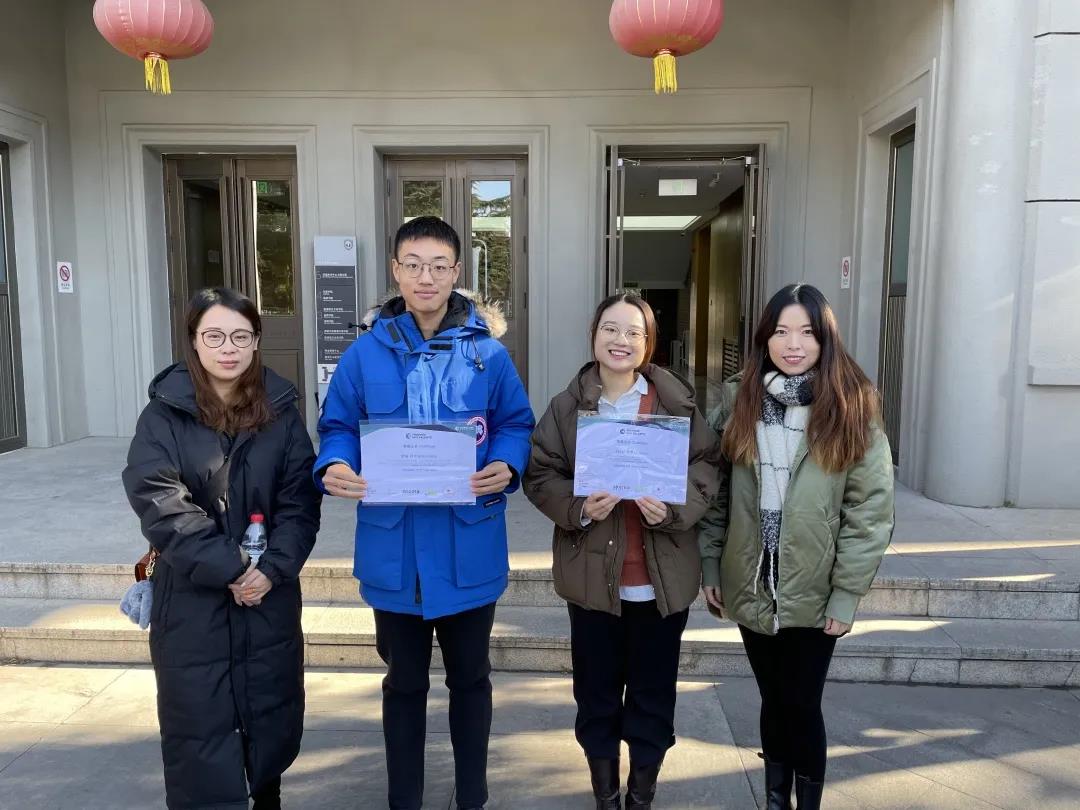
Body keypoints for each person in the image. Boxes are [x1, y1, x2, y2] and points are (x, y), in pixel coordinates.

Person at [314, 215, 534, 810]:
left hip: (469, 552)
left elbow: (516, 423)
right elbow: (337, 427)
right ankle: (403, 800)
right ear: (396, 271)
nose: (426, 277)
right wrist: (335, 463)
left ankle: (473, 799)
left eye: (438, 266)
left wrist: (507, 462)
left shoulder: (488, 355)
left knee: (471, 682)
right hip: (396, 557)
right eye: (413, 265)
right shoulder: (363, 355)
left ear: (457, 272)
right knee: (404, 685)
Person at [122, 287, 322, 809]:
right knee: (201, 733)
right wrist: (231, 568)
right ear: (193, 340)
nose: (228, 348)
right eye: (214, 336)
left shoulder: (281, 410)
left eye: (240, 336)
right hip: (193, 598)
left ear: (256, 341)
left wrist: (271, 569)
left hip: (268, 596)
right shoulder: (162, 416)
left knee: (268, 726)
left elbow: (300, 501)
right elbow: (160, 501)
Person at [698, 283, 894, 810]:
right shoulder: (739, 401)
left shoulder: (852, 405)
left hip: (814, 584)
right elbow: (716, 496)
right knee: (772, 698)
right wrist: (711, 563)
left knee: (802, 703)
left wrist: (846, 593)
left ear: (825, 338)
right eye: (781, 331)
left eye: (806, 332)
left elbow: (869, 512)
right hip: (751, 578)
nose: (793, 344)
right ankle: (774, 800)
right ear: (765, 337)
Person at [524, 293, 720, 810]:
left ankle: (641, 796)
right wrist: (579, 507)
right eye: (611, 329)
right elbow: (540, 473)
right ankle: (606, 795)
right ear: (594, 335)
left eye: (634, 332)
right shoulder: (567, 408)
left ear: (648, 343)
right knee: (596, 696)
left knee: (653, 696)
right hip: (593, 581)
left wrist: (674, 507)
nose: (621, 340)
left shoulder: (675, 404)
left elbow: (707, 465)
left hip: (661, 581)